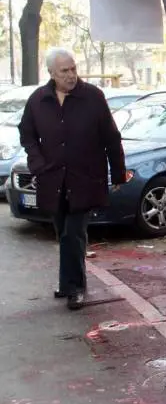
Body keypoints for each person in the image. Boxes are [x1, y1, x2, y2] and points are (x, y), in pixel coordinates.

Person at [19, 48, 126, 310]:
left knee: (73, 234)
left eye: (73, 69)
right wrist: (37, 163)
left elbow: (111, 137)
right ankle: (68, 284)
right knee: (62, 232)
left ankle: (76, 288)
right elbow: (27, 134)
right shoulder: (38, 100)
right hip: (53, 179)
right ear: (52, 74)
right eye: (64, 71)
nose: (71, 75)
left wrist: (118, 172)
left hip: (85, 178)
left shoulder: (93, 97)